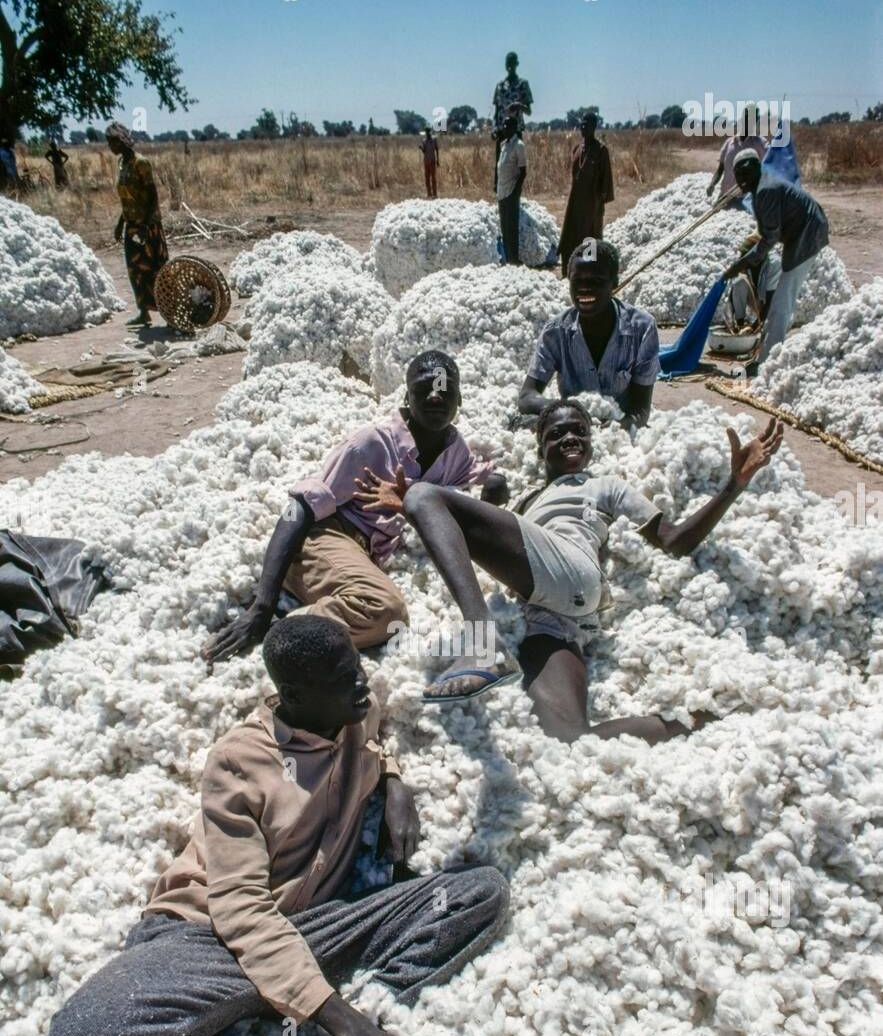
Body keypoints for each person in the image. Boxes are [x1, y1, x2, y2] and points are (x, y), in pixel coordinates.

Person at [44, 615, 510, 1036]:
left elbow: (373, 734)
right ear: (293, 696)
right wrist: (358, 1034)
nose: (363, 685)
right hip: (211, 938)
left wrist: (393, 780)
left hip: (312, 926)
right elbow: (241, 909)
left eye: (358, 668)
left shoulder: (352, 706)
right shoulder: (240, 763)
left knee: (477, 891)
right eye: (345, 678)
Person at [400, 397, 783, 733]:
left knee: (421, 496)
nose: (569, 438)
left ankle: (483, 646)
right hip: (555, 616)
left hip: (573, 570)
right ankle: (690, 722)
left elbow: (674, 540)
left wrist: (734, 484)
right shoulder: (529, 503)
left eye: (579, 431)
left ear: (591, 444)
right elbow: (483, 539)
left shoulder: (605, 486)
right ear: (540, 449)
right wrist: (487, 503)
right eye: (556, 433)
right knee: (567, 737)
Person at [202, 352, 508, 669]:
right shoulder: (372, 444)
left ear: (459, 399)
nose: (435, 395)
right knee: (385, 611)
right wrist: (262, 605)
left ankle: (310, 613)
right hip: (324, 540)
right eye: (424, 387)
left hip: (362, 557)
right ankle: (283, 630)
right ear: (407, 395)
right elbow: (299, 508)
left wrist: (495, 486)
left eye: (446, 390)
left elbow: (480, 481)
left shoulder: (452, 450)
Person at [519, 240, 659, 433]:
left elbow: (641, 409)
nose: (585, 288)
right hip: (572, 427)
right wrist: (569, 412)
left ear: (614, 282)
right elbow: (527, 396)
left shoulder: (642, 329)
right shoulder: (556, 332)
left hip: (620, 432)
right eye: (577, 281)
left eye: (596, 281)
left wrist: (619, 427)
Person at [723, 150, 829, 367]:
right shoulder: (760, 188)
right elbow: (766, 233)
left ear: (757, 169)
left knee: (782, 300)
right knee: (782, 299)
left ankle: (768, 360)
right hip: (799, 234)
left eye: (746, 173)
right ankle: (766, 352)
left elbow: (769, 238)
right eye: (738, 175)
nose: (742, 180)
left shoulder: (765, 191)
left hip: (807, 235)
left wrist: (741, 264)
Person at [105, 121, 168, 326]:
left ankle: (170, 312)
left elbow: (152, 196)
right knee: (135, 270)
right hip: (131, 224)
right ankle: (143, 312)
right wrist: (120, 223)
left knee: (156, 268)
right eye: (109, 143)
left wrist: (145, 224)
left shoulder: (141, 163)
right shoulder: (121, 163)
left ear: (123, 141)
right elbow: (127, 197)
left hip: (148, 226)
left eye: (113, 142)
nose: (110, 147)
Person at [558, 113, 614, 275]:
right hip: (575, 202)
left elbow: (606, 181)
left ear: (594, 127)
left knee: (591, 237)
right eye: (581, 125)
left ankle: (591, 272)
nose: (583, 128)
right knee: (571, 235)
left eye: (587, 125)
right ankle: (570, 270)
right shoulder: (577, 149)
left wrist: (599, 205)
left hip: (592, 203)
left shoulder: (601, 150)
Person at [707, 109, 766, 207]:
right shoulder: (729, 143)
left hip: (746, 200)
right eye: (747, 120)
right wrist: (712, 184)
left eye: (753, 121)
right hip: (725, 196)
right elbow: (720, 169)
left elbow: (769, 166)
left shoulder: (759, 143)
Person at [492, 51, 532, 191]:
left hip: (515, 130)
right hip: (502, 130)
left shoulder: (523, 84)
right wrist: (494, 129)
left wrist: (518, 105)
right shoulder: (500, 86)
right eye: (507, 62)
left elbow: (529, 111)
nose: (510, 65)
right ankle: (499, 192)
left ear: (517, 64)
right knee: (500, 162)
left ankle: (515, 193)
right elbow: (496, 111)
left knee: (515, 163)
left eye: (512, 62)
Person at [497, 111, 526, 265]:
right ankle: (509, 259)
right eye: (504, 125)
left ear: (515, 128)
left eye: (508, 125)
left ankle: (515, 259)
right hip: (502, 192)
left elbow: (523, 171)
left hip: (511, 191)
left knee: (512, 227)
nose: (505, 128)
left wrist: (516, 192)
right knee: (504, 228)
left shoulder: (519, 146)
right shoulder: (503, 145)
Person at [421, 127, 439, 199]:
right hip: (426, 161)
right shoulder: (424, 141)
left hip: (432, 160)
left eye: (428, 132)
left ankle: (435, 194)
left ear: (430, 132)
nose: (427, 133)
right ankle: (429, 194)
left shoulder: (434, 140)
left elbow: (437, 149)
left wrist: (438, 160)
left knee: (433, 178)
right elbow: (424, 151)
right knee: (427, 178)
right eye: (426, 132)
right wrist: (421, 148)